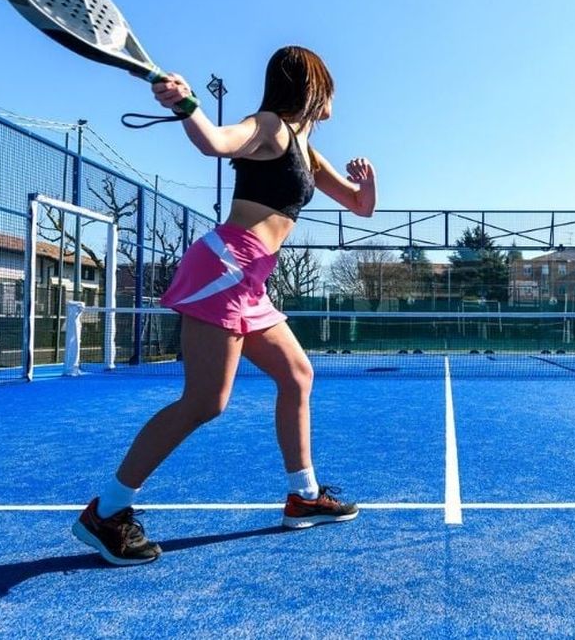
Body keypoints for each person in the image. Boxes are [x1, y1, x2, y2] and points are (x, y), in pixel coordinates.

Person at [72, 46, 377, 565]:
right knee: (205, 403)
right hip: (225, 269)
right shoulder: (269, 126)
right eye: (329, 86)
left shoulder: (305, 148)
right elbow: (214, 142)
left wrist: (368, 182)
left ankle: (304, 496)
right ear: (310, 85)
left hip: (250, 277)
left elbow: (360, 206)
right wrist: (186, 103)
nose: (334, 98)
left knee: (298, 375)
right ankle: (107, 511)